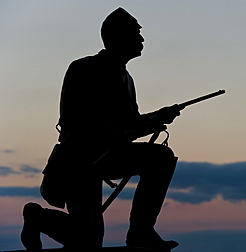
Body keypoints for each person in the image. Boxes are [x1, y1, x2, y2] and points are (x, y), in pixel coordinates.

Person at [21, 7, 180, 250]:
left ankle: (140, 231)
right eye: (136, 33)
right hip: (78, 163)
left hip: (106, 158)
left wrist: (157, 117)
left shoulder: (127, 79)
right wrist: (142, 125)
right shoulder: (83, 68)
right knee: (89, 242)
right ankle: (38, 218)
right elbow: (78, 121)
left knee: (160, 158)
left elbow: (130, 124)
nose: (142, 39)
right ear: (117, 37)